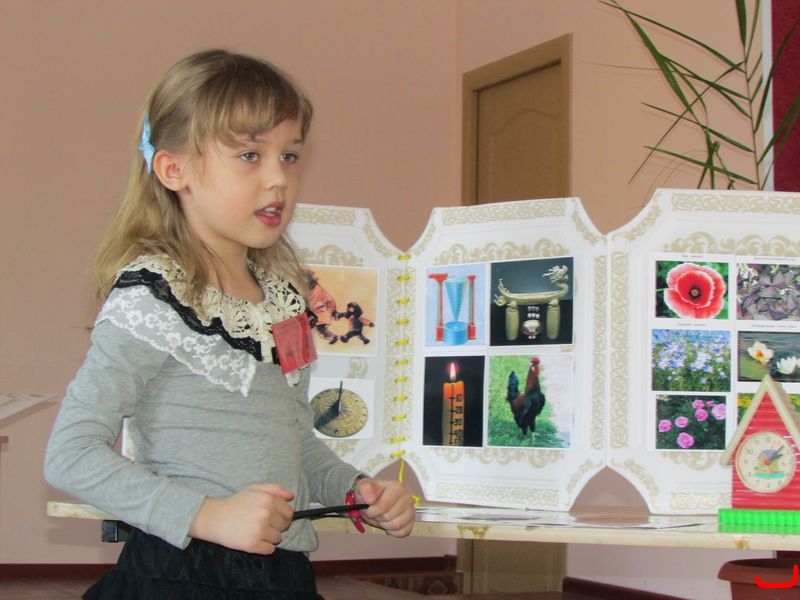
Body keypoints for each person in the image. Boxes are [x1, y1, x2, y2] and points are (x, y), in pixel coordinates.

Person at [44, 48, 415, 599]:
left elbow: (293, 441)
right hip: (180, 575)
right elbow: (70, 455)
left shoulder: (284, 300)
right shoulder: (153, 296)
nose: (278, 179)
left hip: (282, 575)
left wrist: (355, 489)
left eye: (289, 156)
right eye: (248, 155)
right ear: (174, 170)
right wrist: (207, 515)